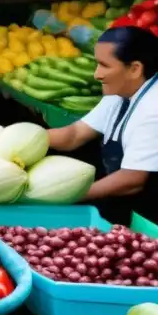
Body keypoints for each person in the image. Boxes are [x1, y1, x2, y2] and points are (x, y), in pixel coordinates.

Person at [47, 27, 158, 225]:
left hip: (150, 215)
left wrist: (68, 195)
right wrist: (16, 137)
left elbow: (132, 180)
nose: (96, 74)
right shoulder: (121, 90)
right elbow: (74, 135)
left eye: (104, 65)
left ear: (134, 69)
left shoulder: (153, 109)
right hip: (127, 203)